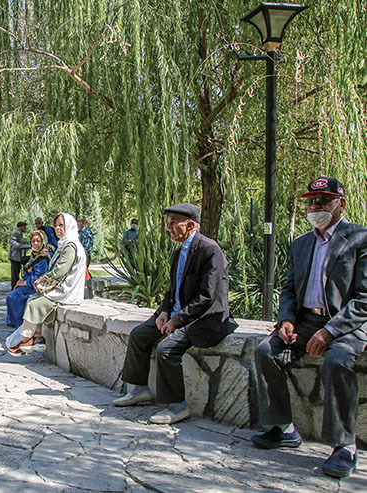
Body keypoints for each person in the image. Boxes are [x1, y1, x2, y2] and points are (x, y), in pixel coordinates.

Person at [252, 177, 367, 479]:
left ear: (340, 204)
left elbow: (365, 298)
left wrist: (330, 331)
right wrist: (287, 320)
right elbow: (289, 289)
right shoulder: (301, 244)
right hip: (306, 321)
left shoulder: (360, 239)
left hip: (346, 325)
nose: (315, 206)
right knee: (266, 351)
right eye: (310, 201)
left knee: (337, 361)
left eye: (323, 201)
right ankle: (283, 428)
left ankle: (344, 446)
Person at [112, 203, 236, 425]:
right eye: (167, 223)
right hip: (179, 314)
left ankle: (178, 406)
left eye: (172, 223)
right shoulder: (179, 251)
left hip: (203, 318)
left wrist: (177, 320)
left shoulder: (210, 250)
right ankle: (140, 388)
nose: (168, 228)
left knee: (166, 349)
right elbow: (174, 289)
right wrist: (165, 311)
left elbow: (207, 297)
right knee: (139, 334)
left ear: (189, 225)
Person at [9, 213, 86, 356]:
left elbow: (60, 270)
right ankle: (37, 338)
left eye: (61, 225)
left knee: (34, 304)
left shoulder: (71, 246)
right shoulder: (65, 244)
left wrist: (43, 279)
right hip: (62, 288)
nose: (57, 228)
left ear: (69, 226)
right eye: (56, 225)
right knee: (31, 299)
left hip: (67, 292)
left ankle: (25, 341)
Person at [6, 230, 51, 327]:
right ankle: (14, 321)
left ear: (42, 241)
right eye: (33, 241)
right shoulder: (35, 254)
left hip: (35, 286)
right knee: (13, 293)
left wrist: (22, 283)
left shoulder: (43, 258)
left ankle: (18, 322)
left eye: (38, 241)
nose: (35, 243)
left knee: (13, 296)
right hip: (29, 283)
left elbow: (38, 277)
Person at [8, 221, 28, 288]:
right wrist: (18, 245)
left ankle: (15, 286)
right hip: (15, 256)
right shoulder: (17, 233)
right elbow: (11, 241)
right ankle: (14, 286)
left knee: (17, 270)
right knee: (15, 272)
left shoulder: (20, 233)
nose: (25, 228)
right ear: (21, 227)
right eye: (24, 226)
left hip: (18, 257)